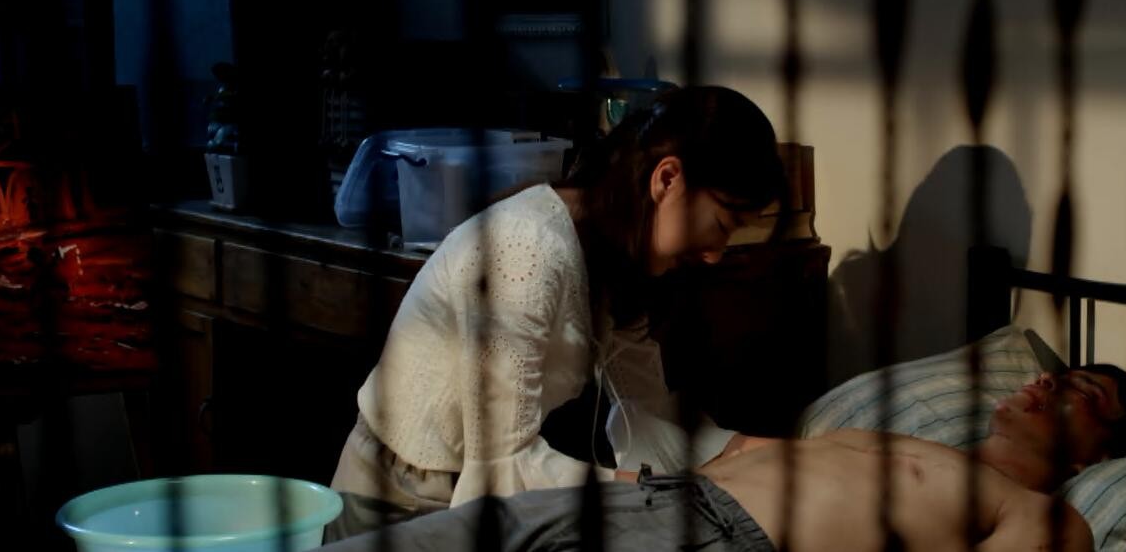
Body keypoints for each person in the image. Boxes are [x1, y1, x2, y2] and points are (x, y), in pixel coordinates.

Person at [326, 86, 788, 540]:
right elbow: (502, 469)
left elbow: (647, 410)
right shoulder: (525, 247)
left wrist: (738, 448)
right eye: (721, 224)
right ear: (667, 179)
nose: (715, 254)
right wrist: (664, 490)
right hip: (397, 501)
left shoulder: (614, 253)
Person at [318, 365, 1126, 552]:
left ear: (1099, 454)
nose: (1045, 380)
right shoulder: (915, 444)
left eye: (1080, 389)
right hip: (654, 499)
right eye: (1051, 371)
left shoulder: (1050, 515)